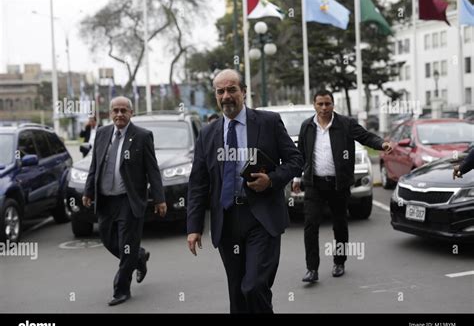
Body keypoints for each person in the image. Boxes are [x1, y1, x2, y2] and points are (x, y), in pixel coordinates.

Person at [186, 69, 303, 313]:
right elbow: (198, 183)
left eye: (232, 89)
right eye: (220, 91)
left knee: (254, 286)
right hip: (227, 220)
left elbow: (295, 160)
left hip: (262, 217)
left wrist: (270, 180)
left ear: (244, 92)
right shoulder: (208, 134)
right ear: (215, 96)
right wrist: (194, 227)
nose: (226, 96)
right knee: (238, 294)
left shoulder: (269, 122)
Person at [293, 89, 393, 283]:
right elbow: (301, 155)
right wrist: (297, 179)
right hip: (314, 184)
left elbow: (366, 137)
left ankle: (339, 262)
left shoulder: (345, 124)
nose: (323, 108)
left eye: (327, 104)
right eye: (320, 104)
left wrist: (382, 144)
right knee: (310, 224)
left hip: (339, 184)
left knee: (339, 224)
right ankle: (311, 269)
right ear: (314, 105)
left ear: (333, 105)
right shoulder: (307, 126)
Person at [82, 96, 167, 306]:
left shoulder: (142, 136)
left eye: (124, 110)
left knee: (127, 244)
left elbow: (152, 170)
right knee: (108, 239)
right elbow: (95, 166)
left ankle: (121, 289)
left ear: (131, 113)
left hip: (129, 200)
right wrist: (88, 191)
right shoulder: (101, 134)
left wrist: (159, 199)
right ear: (110, 113)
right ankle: (139, 257)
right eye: (115, 110)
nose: (119, 114)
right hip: (106, 200)